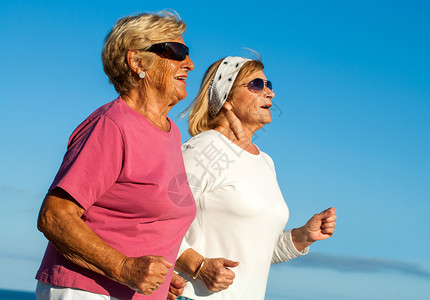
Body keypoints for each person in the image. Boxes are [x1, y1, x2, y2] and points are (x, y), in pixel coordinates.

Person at [35, 11, 196, 300]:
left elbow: (136, 221)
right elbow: (54, 216)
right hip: (86, 291)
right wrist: (124, 268)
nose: (190, 63)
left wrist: (158, 278)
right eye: (176, 51)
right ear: (137, 62)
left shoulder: (170, 133)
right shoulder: (112, 125)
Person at [168, 56, 337, 300]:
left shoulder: (265, 162)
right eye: (257, 85)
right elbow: (153, 224)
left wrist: (302, 236)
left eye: (269, 85)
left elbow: (254, 252)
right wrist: (199, 266)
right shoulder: (203, 150)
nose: (269, 93)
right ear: (226, 99)